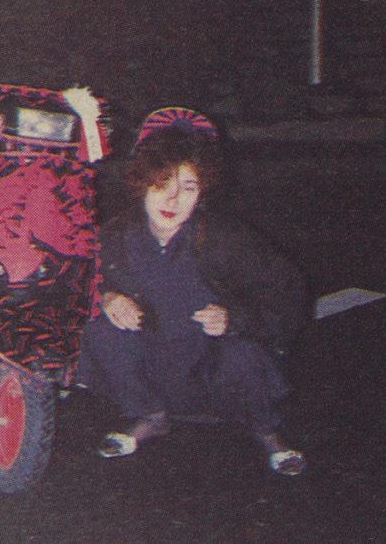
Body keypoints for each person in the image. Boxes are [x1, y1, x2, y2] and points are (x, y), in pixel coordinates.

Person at [77, 107, 309, 476]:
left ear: (202, 192)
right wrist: (107, 297)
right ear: (142, 185)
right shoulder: (116, 236)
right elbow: (77, 281)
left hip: (213, 367)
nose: (172, 200)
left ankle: (268, 431)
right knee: (100, 331)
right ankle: (151, 416)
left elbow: (287, 290)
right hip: (158, 362)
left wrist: (235, 319)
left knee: (243, 354)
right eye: (161, 184)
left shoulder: (225, 238)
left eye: (188, 187)